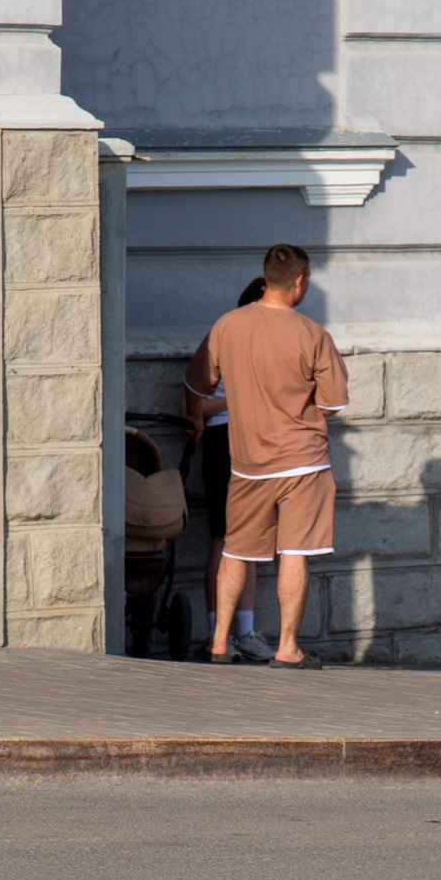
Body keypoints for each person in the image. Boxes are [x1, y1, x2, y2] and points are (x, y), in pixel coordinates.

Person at [186, 244, 350, 668]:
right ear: (300, 281)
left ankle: (219, 643)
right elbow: (333, 404)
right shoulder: (313, 334)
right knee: (294, 552)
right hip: (303, 462)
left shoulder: (226, 326)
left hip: (246, 463)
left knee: (235, 550)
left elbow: (197, 387)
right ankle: (287, 648)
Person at [182, 277, 272, 659]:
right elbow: (192, 406)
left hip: (261, 446)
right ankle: (217, 635)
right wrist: (241, 399)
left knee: (252, 541)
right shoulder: (223, 336)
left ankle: (245, 633)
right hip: (225, 441)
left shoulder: (277, 342)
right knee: (224, 537)